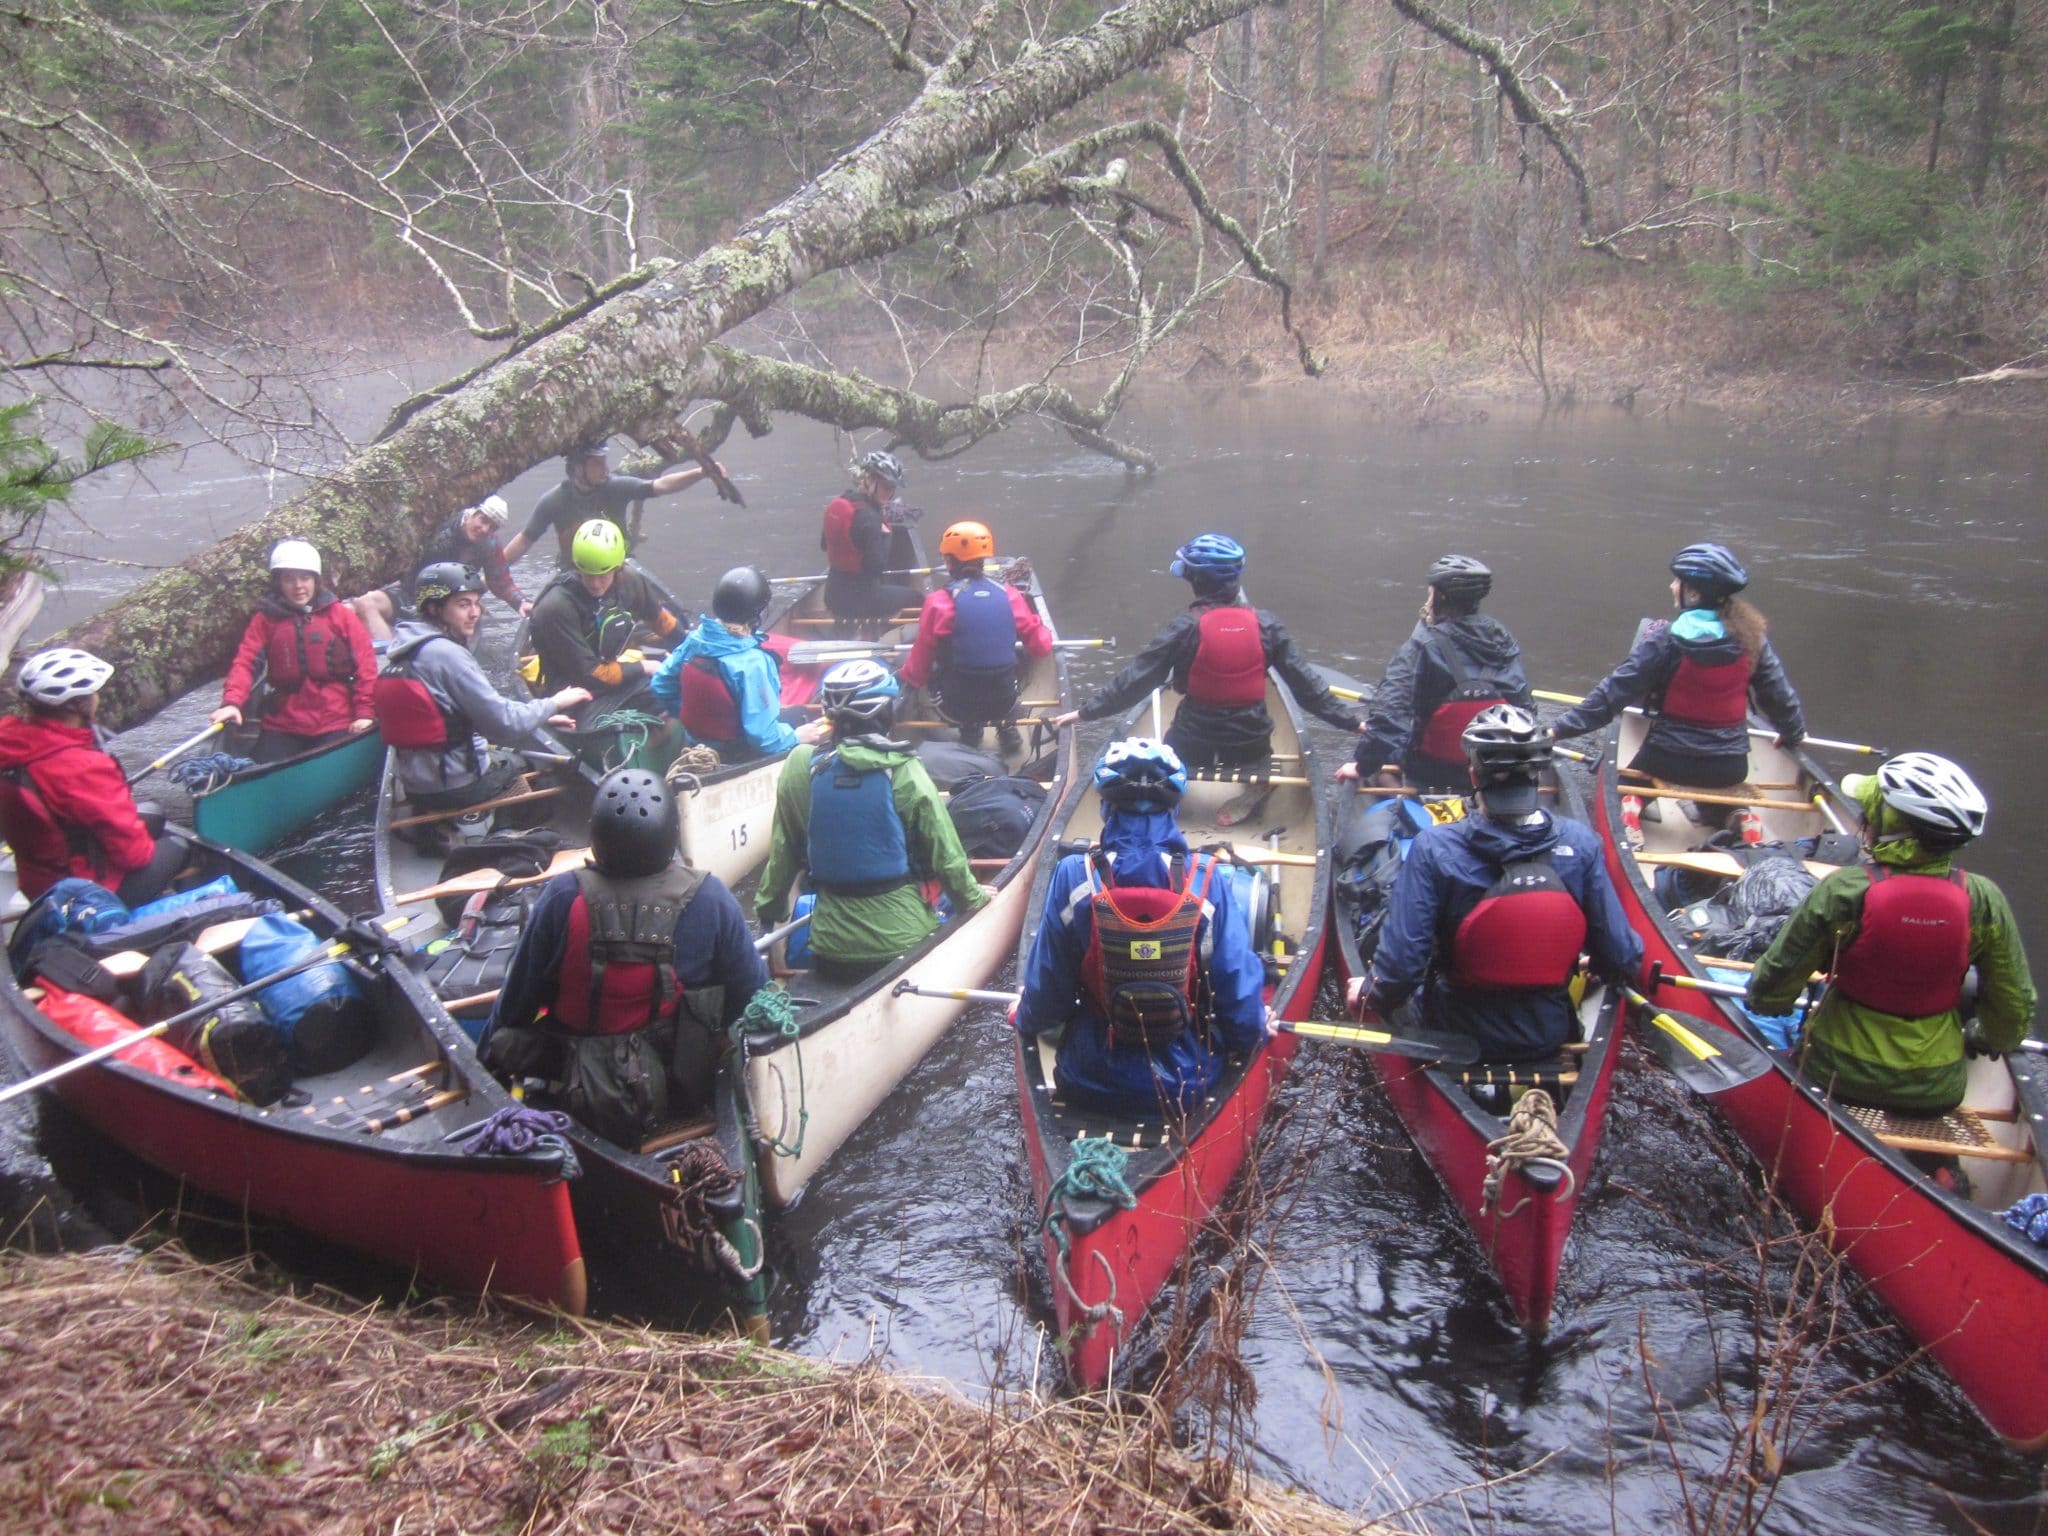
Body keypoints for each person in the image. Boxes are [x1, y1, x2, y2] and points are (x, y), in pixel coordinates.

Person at [477, 769, 766, 1149]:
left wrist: (484, 1065)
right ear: (671, 836)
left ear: (596, 836)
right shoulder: (710, 897)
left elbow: (515, 1005)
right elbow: (753, 995)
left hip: (575, 1086)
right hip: (681, 1089)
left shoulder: (561, 896)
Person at [1747, 752, 2036, 1117]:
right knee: (1968, 986)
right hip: (1936, 1087)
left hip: (1834, 1072)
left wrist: (1770, 1002)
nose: (1864, 819)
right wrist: (1981, 1036)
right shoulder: (1983, 899)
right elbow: (2014, 1005)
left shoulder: (1844, 890)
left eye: (1873, 811)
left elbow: (1772, 987)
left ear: (1893, 826)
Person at [1351, 705, 1642, 1064]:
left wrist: (1369, 992)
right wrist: (1589, 963)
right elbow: (1622, 956)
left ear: (1474, 775)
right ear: (1538, 775)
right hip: (1548, 1032)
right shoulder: (1581, 844)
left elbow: (1401, 970)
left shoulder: (1435, 848)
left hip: (1452, 1030)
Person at [1013, 737, 1271, 1114]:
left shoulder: (1073, 875)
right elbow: (1236, 991)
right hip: (1189, 1083)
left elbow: (1048, 994)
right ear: (1175, 808)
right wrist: (1254, 1032)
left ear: (1105, 807)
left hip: (1087, 1077)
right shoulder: (1206, 880)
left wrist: (1025, 1014)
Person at [753, 659, 989, 980]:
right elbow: (947, 858)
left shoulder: (801, 765)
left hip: (829, 946)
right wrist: (975, 899)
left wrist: (768, 914)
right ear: (885, 714)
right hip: (903, 945)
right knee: (947, 898)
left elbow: (784, 852)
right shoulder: (905, 769)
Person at [1048, 533, 1358, 770]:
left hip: (1193, 743)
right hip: (1250, 745)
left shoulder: (1184, 627)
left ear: (1194, 579)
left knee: (1174, 744)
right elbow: (1307, 687)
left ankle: (1179, 789)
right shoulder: (1267, 626)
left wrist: (1084, 713)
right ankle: (1259, 790)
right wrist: (1354, 723)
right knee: (1258, 748)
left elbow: (1136, 680)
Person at [1549, 543, 1804, 803]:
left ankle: (1632, 806)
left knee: (1627, 789)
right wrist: (1792, 732)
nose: (1672, 586)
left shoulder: (1665, 640)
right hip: (1730, 766)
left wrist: (1557, 731)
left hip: (1668, 759)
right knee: (1720, 792)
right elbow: (1778, 695)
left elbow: (1612, 694)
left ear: (1693, 594)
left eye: (1678, 582)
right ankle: (1737, 814)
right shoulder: (1753, 640)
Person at [374, 561, 590, 814]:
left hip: (416, 788)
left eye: (476, 603)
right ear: (434, 608)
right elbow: (505, 723)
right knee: (527, 765)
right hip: (460, 785)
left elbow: (457, 715)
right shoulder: (449, 656)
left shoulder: (401, 649)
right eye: (463, 604)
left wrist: (541, 715)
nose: (475, 613)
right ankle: (508, 824)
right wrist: (556, 702)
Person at [0, 648, 194, 903]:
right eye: (93, 693)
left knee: (153, 815)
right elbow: (136, 855)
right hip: (82, 889)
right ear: (80, 704)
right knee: (178, 845)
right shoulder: (80, 768)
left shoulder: (11, 746)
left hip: (36, 879)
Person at [1339, 555, 1532, 794]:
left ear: (1438, 596)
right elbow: (1524, 709)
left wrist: (1362, 766)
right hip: (1491, 766)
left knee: (1387, 747)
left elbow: (1389, 717)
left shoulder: (1420, 646)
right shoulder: (1504, 642)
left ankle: (1400, 795)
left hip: (1431, 769)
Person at [210, 540, 377, 763]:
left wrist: (365, 713)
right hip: (284, 723)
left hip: (335, 719)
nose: (298, 586)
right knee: (256, 764)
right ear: (278, 583)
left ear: (316, 580)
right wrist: (232, 702)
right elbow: (245, 662)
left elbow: (366, 667)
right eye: (289, 579)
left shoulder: (340, 616)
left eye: (305, 578)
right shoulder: (265, 620)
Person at [898, 520, 1053, 754]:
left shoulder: (938, 602)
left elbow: (919, 665)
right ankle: (1006, 726)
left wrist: (906, 680)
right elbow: (1041, 646)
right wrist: (1040, 629)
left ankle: (970, 730)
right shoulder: (1010, 595)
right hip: (1004, 700)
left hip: (956, 705)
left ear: (949, 562)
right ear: (984, 559)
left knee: (939, 668)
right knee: (1012, 665)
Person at [650, 565, 828, 762]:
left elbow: (661, 683)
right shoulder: (752, 663)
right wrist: (796, 737)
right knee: (801, 715)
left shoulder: (696, 639)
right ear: (755, 614)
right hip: (739, 753)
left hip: (696, 743)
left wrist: (687, 714)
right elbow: (762, 737)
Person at [525, 518, 682, 711]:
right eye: (587, 574)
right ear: (577, 566)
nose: (595, 583)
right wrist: (645, 667)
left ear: (617, 568)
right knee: (657, 693)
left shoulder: (629, 581)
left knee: (676, 687)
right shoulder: (556, 608)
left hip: (608, 669)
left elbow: (663, 623)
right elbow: (592, 675)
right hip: (572, 689)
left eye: (603, 575)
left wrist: (690, 649)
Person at [502, 439, 727, 567]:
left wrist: (701, 472)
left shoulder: (616, 487)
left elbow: (660, 486)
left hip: (619, 568)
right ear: (578, 468)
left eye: (605, 462)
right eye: (597, 464)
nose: (606, 469)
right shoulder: (554, 500)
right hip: (573, 573)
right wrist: (490, 577)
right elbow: (524, 540)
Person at [352, 496, 529, 644]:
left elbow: (499, 581)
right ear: (471, 514)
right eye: (483, 520)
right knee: (363, 603)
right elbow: (398, 557)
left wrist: (521, 602)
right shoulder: (438, 523)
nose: (485, 529)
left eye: (493, 527)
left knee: (461, 616)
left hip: (450, 607)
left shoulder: (489, 544)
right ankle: (391, 655)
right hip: (410, 593)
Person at [821, 449, 920, 622]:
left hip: (832, 597)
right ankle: (889, 630)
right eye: (886, 486)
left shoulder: (840, 502)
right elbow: (876, 567)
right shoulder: (871, 519)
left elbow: (824, 544)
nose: (889, 493)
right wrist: (886, 535)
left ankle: (845, 629)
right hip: (863, 600)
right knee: (918, 598)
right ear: (869, 480)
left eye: (893, 488)